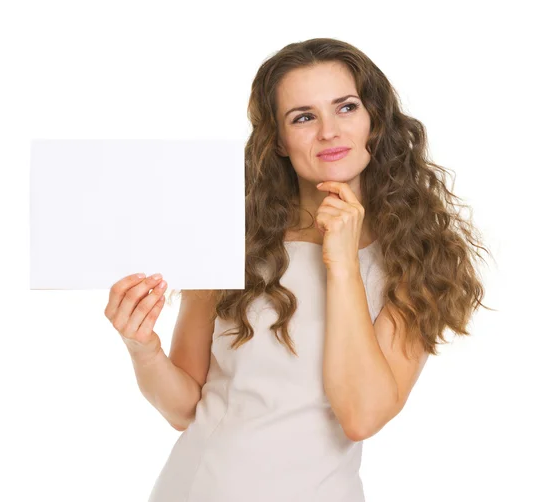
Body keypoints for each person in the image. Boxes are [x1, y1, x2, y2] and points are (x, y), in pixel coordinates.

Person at [104, 37, 492, 502]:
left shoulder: (419, 259)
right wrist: (142, 348)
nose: (328, 131)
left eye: (346, 108)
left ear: (375, 120)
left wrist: (342, 262)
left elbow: (361, 415)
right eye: (303, 117)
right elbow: (186, 408)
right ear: (281, 141)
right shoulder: (233, 238)